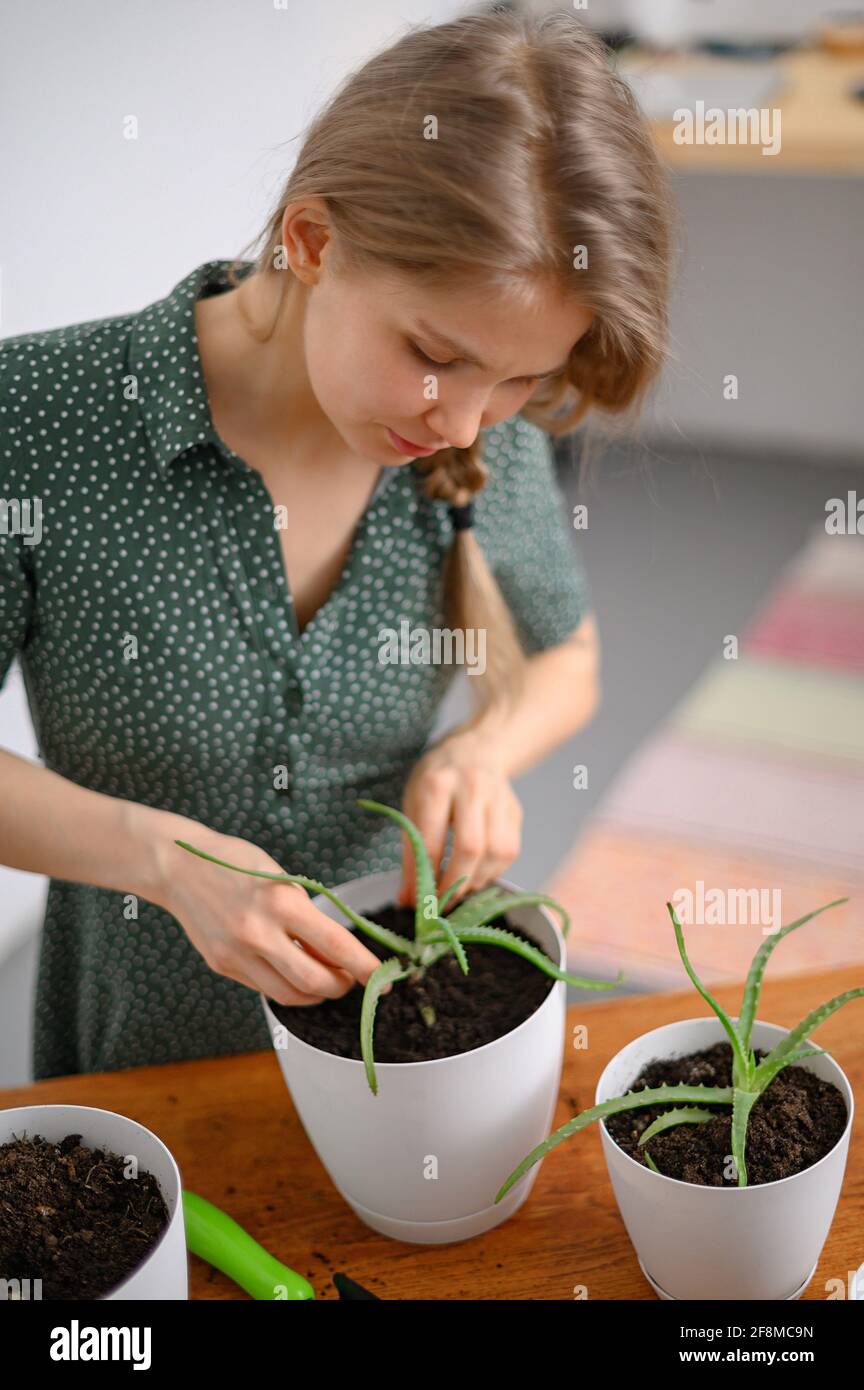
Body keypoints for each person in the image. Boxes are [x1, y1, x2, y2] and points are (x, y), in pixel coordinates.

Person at [0, 10, 675, 1078]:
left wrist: (481, 750)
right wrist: (165, 861)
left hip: (410, 1045)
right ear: (312, 242)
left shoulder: (472, 438)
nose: (464, 424)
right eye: (434, 353)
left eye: (517, 380)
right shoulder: (38, 418)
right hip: (148, 1057)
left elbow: (566, 660)